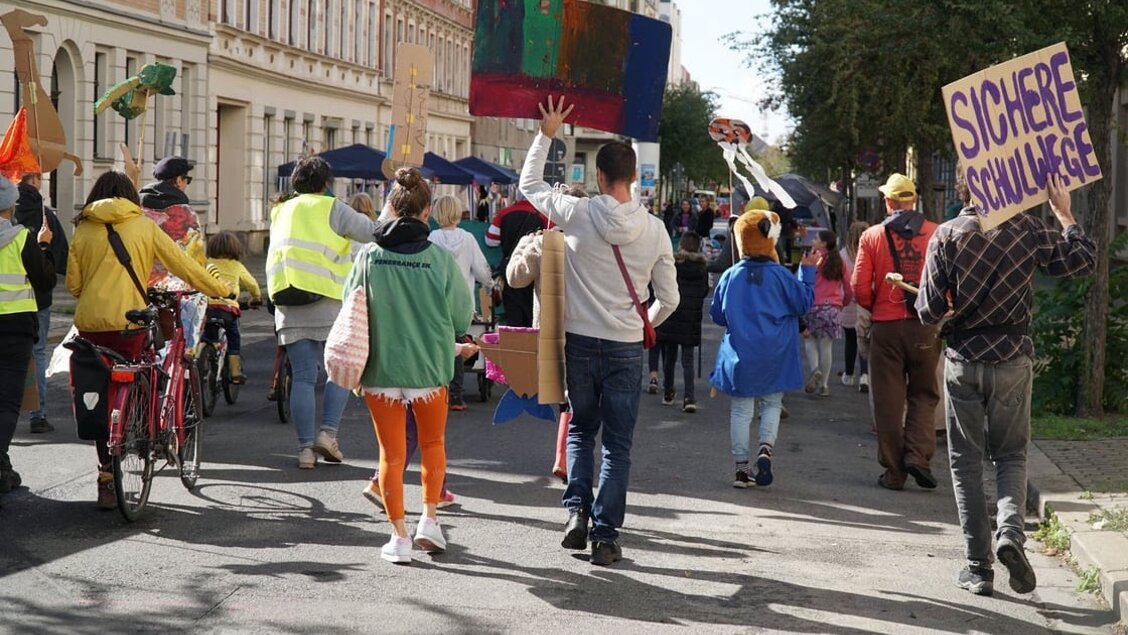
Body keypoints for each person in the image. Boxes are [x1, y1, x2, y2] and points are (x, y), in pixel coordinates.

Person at [916, 174, 1095, 597]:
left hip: (963, 360)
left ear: (963, 187)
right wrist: (1064, 213)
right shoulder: (1028, 230)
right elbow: (1082, 260)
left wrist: (949, 304)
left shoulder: (946, 235)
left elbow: (926, 309)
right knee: (1011, 455)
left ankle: (979, 568)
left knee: (965, 462)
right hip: (1013, 356)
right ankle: (1011, 534)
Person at [521, 96, 678, 566]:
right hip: (627, 347)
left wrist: (548, 132)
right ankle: (606, 535)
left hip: (580, 343)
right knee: (619, 445)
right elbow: (669, 298)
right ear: (632, 178)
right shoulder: (655, 230)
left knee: (581, 429)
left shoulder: (578, 213)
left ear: (599, 178)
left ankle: (576, 514)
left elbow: (528, 184)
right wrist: (641, 324)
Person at [67, 171, 230, 508]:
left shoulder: (83, 227)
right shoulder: (144, 226)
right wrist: (221, 290)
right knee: (148, 368)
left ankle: (107, 477)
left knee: (100, 392)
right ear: (131, 198)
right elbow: (183, 266)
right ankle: (146, 426)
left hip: (91, 326)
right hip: (129, 323)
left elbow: (74, 286)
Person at [349, 167, 474, 564]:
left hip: (381, 369)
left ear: (391, 208)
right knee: (433, 444)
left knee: (391, 455)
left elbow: (351, 308)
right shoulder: (439, 259)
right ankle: (430, 522)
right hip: (430, 369)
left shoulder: (369, 256)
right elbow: (462, 318)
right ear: (425, 213)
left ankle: (398, 537)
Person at [266, 156, 380, 469]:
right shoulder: (333, 208)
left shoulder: (280, 210)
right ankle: (328, 434)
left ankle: (304, 450)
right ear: (325, 183)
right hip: (327, 298)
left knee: (302, 376)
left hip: (287, 298)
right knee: (339, 370)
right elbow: (374, 233)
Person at [712, 205, 815, 488]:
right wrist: (808, 273)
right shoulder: (781, 275)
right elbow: (803, 303)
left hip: (741, 352)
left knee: (740, 410)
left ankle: (741, 468)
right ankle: (765, 450)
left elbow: (717, 315)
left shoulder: (730, 275)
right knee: (771, 403)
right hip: (776, 351)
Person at [851, 173, 941, 491]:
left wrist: (876, 306)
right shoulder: (935, 233)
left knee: (888, 400)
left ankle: (894, 472)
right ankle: (918, 456)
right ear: (913, 199)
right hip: (925, 326)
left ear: (888, 202)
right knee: (924, 394)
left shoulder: (873, 236)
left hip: (887, 327)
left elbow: (859, 287)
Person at [0, 177, 55, 499]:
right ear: (11, 206)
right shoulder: (22, 238)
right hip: (14, 330)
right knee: (7, 401)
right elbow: (45, 281)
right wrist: (44, 244)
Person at [428, 195, 493, 411]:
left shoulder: (431, 238)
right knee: (458, 346)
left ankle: (438, 390)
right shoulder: (467, 239)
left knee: (437, 345)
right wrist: (491, 283)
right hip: (462, 303)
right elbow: (482, 271)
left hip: (436, 300)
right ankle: (456, 396)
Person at [14, 172, 67, 434]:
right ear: (35, 180)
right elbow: (60, 260)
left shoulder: (8, 217)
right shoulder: (46, 217)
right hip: (38, 301)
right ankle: (38, 414)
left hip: (6, 305)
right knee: (38, 354)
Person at [653, 231, 709, 412]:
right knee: (688, 359)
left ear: (681, 246)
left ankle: (668, 391)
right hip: (690, 318)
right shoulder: (702, 269)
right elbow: (703, 292)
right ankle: (689, 397)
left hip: (672, 316)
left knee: (669, 357)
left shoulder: (673, 265)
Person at [204, 231, 262, 384]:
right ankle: (235, 372)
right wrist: (256, 298)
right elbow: (253, 285)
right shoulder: (237, 266)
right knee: (233, 337)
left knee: (205, 335)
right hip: (228, 309)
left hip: (208, 307)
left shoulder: (207, 262)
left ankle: (198, 358)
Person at [139, 156, 205, 288]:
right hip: (174, 290)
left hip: (140, 284)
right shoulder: (185, 214)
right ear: (179, 180)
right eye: (187, 180)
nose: (186, 184)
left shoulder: (137, 208)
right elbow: (195, 258)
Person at [801, 229, 853, 398]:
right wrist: (842, 304)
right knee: (826, 347)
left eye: (816, 238)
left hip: (812, 306)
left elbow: (802, 282)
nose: (813, 240)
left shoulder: (812, 259)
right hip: (832, 308)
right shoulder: (839, 262)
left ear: (823, 243)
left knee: (809, 340)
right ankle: (824, 385)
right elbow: (849, 287)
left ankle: (815, 369)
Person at [485, 197, 545, 327]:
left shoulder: (504, 213)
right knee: (532, 317)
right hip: (534, 274)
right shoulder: (543, 214)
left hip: (510, 270)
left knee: (514, 320)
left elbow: (490, 240)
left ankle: (514, 344)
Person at [840, 221, 870, 390]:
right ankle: (864, 375)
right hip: (865, 301)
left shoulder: (843, 255)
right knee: (863, 339)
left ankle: (849, 374)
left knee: (850, 340)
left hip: (847, 303)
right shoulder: (870, 251)